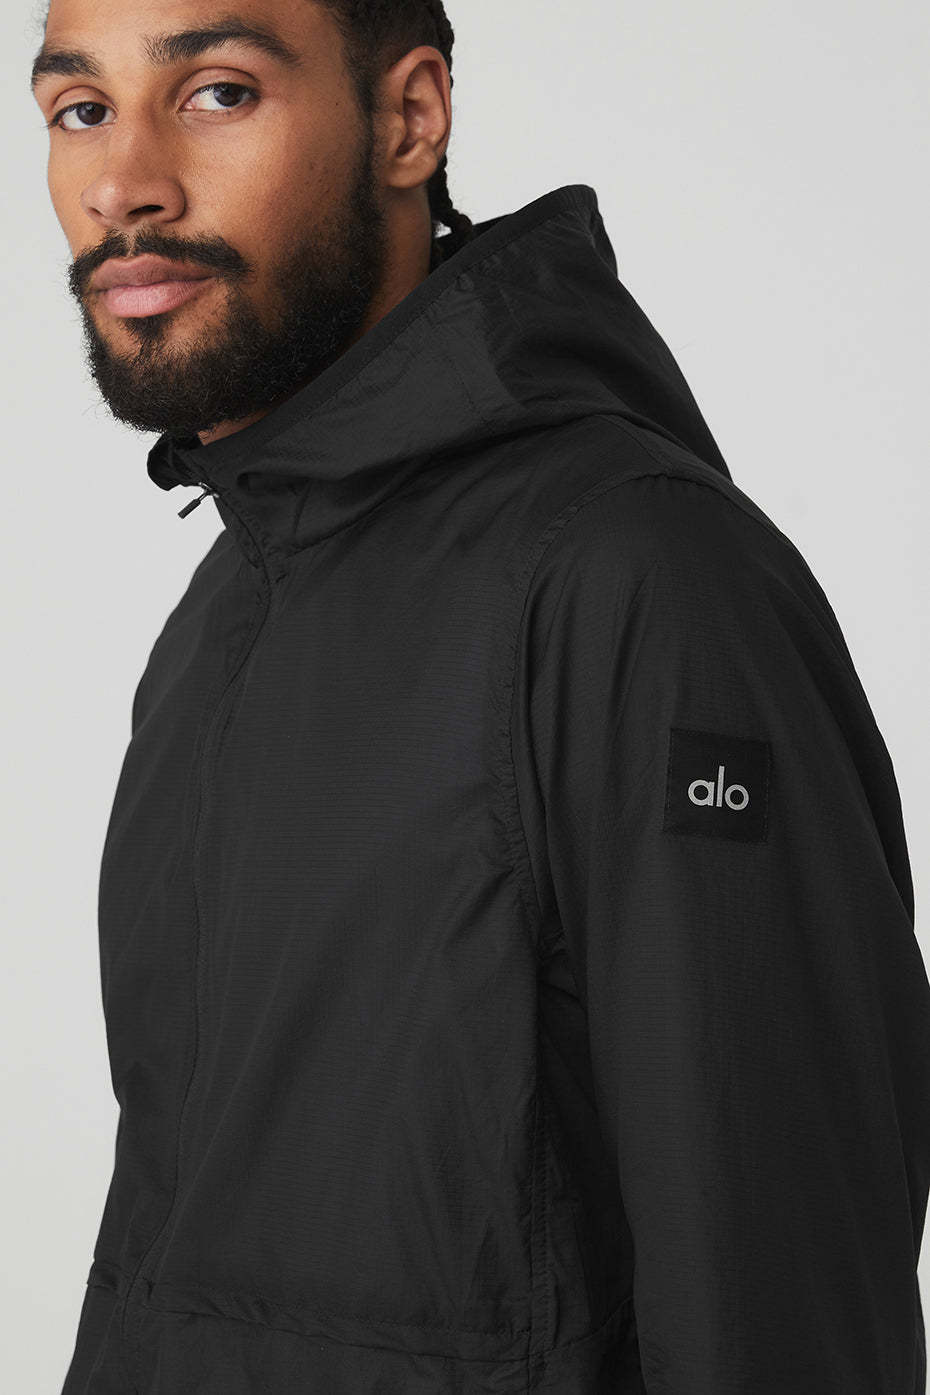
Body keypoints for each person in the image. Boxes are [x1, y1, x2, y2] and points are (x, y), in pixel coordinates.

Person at [31, 1, 930, 1392]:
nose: (124, 183)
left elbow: (779, 1306)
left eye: (216, 92)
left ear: (409, 119)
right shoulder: (226, 613)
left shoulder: (638, 577)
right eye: (80, 110)